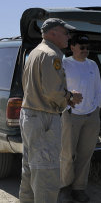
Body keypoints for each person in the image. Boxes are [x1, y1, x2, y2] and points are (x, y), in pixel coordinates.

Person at [19, 18, 83, 203]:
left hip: (30, 115)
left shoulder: (34, 52)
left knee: (30, 169)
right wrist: (70, 97)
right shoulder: (51, 55)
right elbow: (53, 92)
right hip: (44, 117)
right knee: (46, 173)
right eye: (65, 32)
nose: (68, 37)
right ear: (52, 33)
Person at [59, 34, 101, 203]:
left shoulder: (92, 65)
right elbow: (59, 88)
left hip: (91, 116)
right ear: (72, 47)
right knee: (67, 154)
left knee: (85, 155)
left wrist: (97, 108)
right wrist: (68, 105)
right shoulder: (64, 64)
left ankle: (79, 188)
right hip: (71, 116)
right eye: (81, 47)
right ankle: (64, 188)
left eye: (87, 47)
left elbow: (98, 89)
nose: (85, 50)